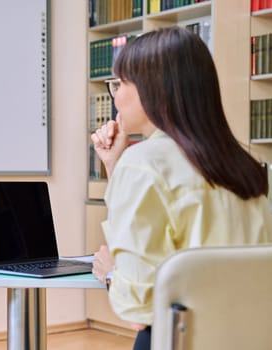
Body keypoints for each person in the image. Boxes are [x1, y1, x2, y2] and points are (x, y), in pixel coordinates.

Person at [90, 26, 272, 350]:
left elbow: (138, 312)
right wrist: (115, 164)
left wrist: (110, 274)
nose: (114, 95)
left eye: (119, 84)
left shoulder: (141, 164)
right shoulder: (246, 165)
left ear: (153, 89)